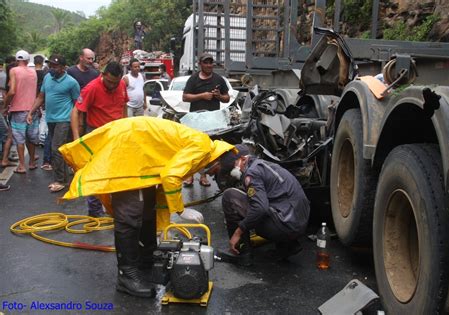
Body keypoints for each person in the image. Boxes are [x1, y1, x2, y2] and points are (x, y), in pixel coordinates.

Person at [59, 116, 236, 298]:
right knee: (131, 213)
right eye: (215, 172)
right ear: (218, 162)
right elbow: (170, 176)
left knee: (147, 208)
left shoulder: (203, 147)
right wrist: (180, 210)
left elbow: (163, 184)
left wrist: (163, 221)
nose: (211, 176)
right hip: (130, 149)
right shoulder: (202, 147)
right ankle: (127, 276)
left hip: (138, 149)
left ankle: (147, 259)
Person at [206, 144, 310, 266]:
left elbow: (260, 208)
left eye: (233, 166)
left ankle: (242, 252)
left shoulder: (252, 173)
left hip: (286, 226)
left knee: (230, 197)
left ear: (243, 159)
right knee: (265, 200)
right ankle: (288, 246)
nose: (233, 171)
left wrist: (238, 232)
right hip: (298, 223)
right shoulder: (264, 165)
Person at [70, 61, 128, 217]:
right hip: (97, 133)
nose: (112, 86)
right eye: (109, 82)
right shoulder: (92, 88)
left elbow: (123, 106)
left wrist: (126, 125)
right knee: (97, 172)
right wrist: (77, 140)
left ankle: (115, 206)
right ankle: (95, 210)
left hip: (117, 133)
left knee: (117, 171)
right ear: (103, 75)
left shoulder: (121, 85)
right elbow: (76, 112)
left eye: (115, 83)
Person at [28, 54, 80, 192]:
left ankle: (60, 180)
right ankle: (66, 177)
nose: (51, 68)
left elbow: (77, 105)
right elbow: (41, 97)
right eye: (50, 65)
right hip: (50, 119)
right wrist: (31, 112)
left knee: (56, 149)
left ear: (63, 67)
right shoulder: (47, 78)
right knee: (60, 149)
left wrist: (77, 125)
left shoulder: (71, 82)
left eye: (55, 66)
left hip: (64, 120)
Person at [182, 53, 230, 187]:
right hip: (196, 120)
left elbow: (227, 98)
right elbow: (185, 97)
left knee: (206, 150)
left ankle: (203, 176)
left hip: (212, 121)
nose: (209, 65)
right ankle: (190, 175)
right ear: (200, 64)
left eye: (211, 63)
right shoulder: (193, 79)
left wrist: (219, 96)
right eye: (206, 63)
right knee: (193, 148)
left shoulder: (219, 79)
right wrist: (202, 96)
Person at [4, 50, 38, 174]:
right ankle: (32, 162)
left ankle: (22, 166)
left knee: (20, 139)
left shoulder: (14, 71)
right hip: (32, 110)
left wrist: (5, 105)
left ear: (17, 60)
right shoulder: (33, 72)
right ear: (28, 60)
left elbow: (12, 91)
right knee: (31, 137)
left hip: (18, 110)